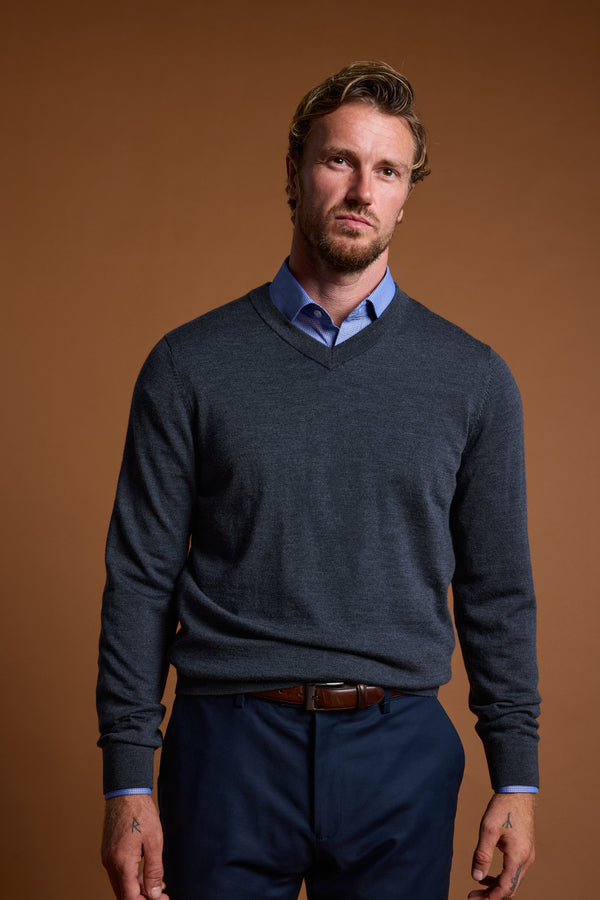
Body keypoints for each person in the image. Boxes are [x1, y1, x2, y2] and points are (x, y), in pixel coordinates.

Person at [98, 61, 540, 900]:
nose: (361, 189)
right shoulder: (188, 366)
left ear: (407, 194)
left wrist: (516, 777)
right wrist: (127, 780)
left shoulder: (473, 378)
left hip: (400, 747)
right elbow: (140, 580)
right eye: (340, 160)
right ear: (295, 172)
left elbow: (498, 590)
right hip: (227, 749)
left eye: (387, 171)